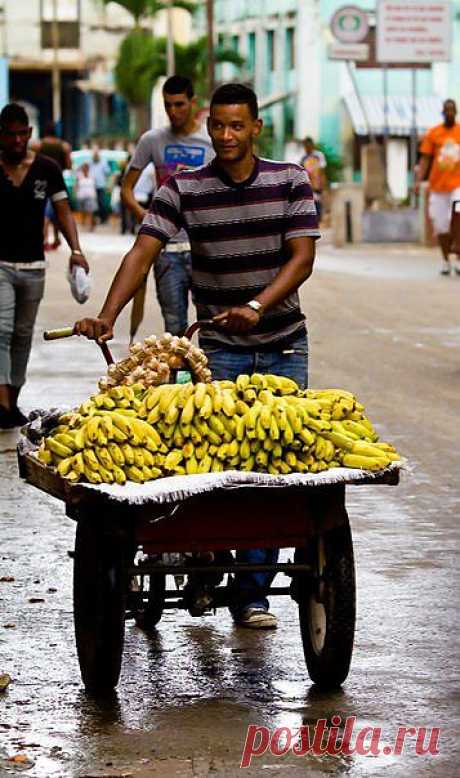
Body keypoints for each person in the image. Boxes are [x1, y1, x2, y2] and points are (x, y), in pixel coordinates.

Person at [75, 83, 320, 628]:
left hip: (283, 345)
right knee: (219, 468)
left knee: (276, 471)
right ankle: (216, 558)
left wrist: (257, 305)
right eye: (219, 127)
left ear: (257, 128)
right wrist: (108, 314)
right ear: (208, 129)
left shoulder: (290, 180)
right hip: (219, 354)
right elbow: (144, 251)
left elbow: (301, 259)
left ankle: (252, 595)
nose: (227, 136)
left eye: (238, 126)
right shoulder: (184, 188)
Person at [0, 103, 89, 429]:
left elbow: (64, 211)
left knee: (23, 335)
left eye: (22, 134)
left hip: (34, 266)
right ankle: (3, 404)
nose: (16, 141)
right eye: (10, 135)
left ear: (30, 134)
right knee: (2, 331)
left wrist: (76, 249)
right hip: (1, 266)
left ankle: (13, 397)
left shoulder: (46, 169)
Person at [121, 75, 215, 335]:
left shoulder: (211, 141)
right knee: (175, 329)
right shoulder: (152, 140)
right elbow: (126, 189)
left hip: (204, 249)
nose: (173, 111)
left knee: (211, 324)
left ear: (193, 103)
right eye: (168, 105)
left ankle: (208, 377)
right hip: (166, 251)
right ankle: (178, 376)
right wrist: (146, 218)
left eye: (180, 104)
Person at [415, 99, 460, 276]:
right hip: (438, 187)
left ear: (455, 112)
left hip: (457, 184)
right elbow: (425, 159)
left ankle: (458, 257)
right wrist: (418, 181)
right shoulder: (433, 133)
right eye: (446, 110)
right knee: (441, 226)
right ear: (442, 113)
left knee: (457, 215)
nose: (449, 113)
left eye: (452, 110)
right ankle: (445, 260)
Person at [31, 121, 72, 250]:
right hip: (58, 180)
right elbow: (69, 165)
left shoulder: (38, 145)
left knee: (44, 212)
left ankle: (43, 240)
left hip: (41, 181)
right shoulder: (64, 146)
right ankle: (55, 238)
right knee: (58, 211)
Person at [300, 137, 327, 222]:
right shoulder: (303, 157)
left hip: (317, 183)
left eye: (307, 146)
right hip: (308, 183)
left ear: (311, 145)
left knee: (317, 201)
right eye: (305, 146)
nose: (306, 148)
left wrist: (322, 182)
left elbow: (322, 170)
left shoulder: (318, 155)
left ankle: (318, 219)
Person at [89, 149, 111, 224]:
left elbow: (108, 173)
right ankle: (95, 219)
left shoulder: (103, 162)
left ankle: (104, 219)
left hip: (101, 185)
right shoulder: (91, 163)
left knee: (102, 203)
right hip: (92, 186)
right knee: (94, 204)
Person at [75, 162, 97, 231]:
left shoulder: (92, 175)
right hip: (81, 196)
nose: (85, 168)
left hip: (90, 196)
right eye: (84, 167)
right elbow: (76, 185)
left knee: (90, 211)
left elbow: (94, 185)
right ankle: (83, 224)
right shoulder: (79, 175)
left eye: (86, 167)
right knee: (82, 211)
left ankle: (90, 226)